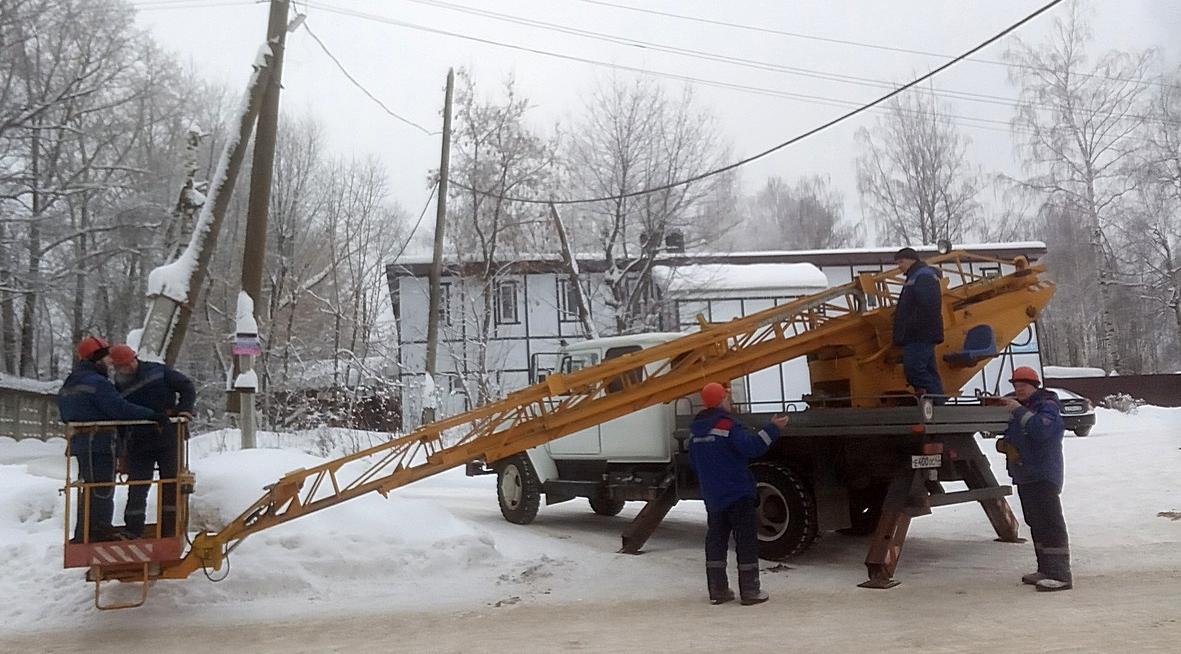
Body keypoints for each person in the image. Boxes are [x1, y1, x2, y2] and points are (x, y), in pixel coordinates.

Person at [688, 382, 789, 605]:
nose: (729, 401)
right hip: (737, 493)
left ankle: (718, 591)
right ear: (720, 400)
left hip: (714, 497)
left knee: (716, 541)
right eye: (726, 397)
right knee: (746, 542)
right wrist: (773, 428)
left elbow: (694, 463)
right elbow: (752, 447)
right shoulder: (727, 425)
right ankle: (750, 591)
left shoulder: (696, 433)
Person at [57, 336, 160, 542]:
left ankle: (84, 532)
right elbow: (119, 408)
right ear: (96, 359)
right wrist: (152, 415)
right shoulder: (98, 383)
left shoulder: (72, 381)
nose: (110, 362)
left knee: (88, 488)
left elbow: (64, 413)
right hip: (100, 443)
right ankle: (99, 530)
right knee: (102, 489)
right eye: (106, 358)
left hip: (81, 444)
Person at [996, 366, 1072, 592]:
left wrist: (1018, 411)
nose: (1018, 390)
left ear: (1034, 386)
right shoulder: (1024, 407)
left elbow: (1041, 430)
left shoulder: (1047, 407)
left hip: (1043, 475)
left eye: (1023, 386)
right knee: (1036, 523)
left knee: (1050, 524)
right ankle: (1045, 569)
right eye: (1016, 386)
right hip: (1026, 475)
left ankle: (1060, 574)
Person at [109, 344, 196, 538]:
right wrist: (121, 451)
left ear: (135, 358)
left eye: (130, 362)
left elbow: (187, 387)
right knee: (138, 485)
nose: (128, 367)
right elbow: (121, 416)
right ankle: (133, 529)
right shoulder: (118, 385)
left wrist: (184, 410)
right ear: (116, 367)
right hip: (139, 441)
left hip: (168, 435)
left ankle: (169, 530)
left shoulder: (158, 372)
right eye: (123, 365)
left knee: (171, 483)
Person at [892, 247, 945, 402]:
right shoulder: (918, 276)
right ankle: (938, 403)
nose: (899, 266)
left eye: (901, 262)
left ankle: (937, 402)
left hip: (919, 335)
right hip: (922, 334)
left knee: (914, 369)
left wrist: (908, 326)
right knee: (928, 370)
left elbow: (927, 307)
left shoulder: (923, 277)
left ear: (911, 260)